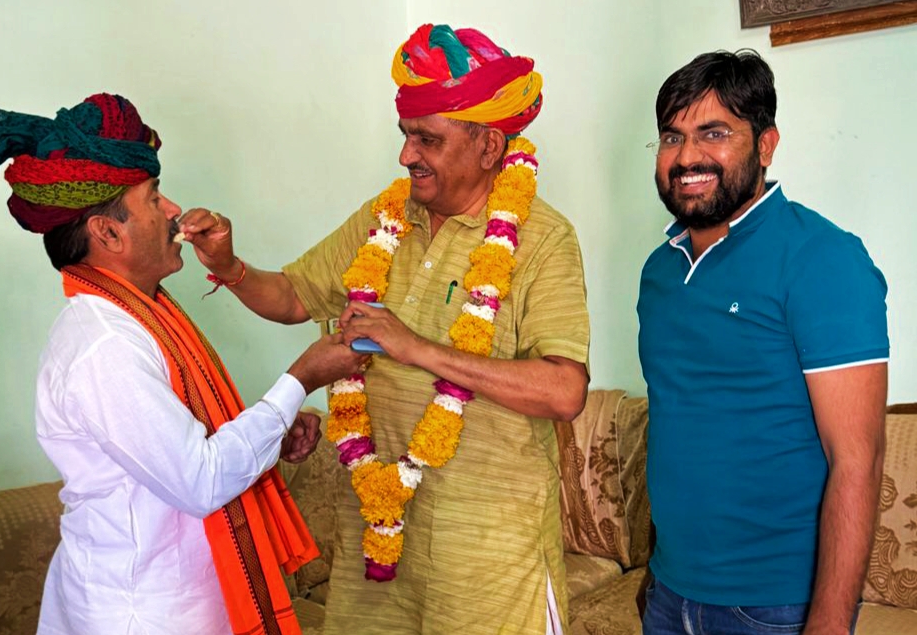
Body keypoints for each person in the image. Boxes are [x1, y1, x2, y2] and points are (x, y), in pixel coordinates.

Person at [181, 24, 591, 635]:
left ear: (489, 147)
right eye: (405, 135)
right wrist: (229, 265)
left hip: (488, 559)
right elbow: (293, 296)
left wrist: (417, 348)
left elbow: (564, 391)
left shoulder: (543, 238)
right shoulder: (385, 218)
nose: (406, 155)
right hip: (378, 538)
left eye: (427, 139)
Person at [0, 93, 367, 635]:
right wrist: (301, 380)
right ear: (108, 233)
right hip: (142, 612)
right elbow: (199, 480)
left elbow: (174, 451)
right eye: (154, 197)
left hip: (182, 600)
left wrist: (271, 435)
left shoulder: (140, 313)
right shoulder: (103, 345)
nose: (173, 209)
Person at [637, 50, 889, 635]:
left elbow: (859, 460)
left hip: (775, 607)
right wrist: (656, 570)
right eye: (672, 138)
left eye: (714, 133)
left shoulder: (822, 259)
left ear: (766, 144)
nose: (687, 157)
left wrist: (829, 623)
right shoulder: (659, 271)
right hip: (670, 593)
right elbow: (676, 424)